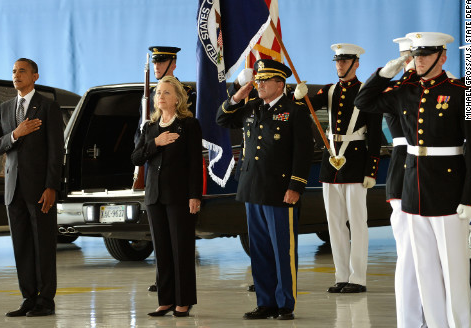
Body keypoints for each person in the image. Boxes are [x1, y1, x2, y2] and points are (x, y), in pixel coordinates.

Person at [355, 32, 471, 327]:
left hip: (448, 191)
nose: (418, 60)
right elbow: (364, 101)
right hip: (413, 189)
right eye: (416, 55)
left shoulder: (461, 92)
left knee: (454, 272)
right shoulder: (405, 91)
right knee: (425, 271)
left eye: (425, 54)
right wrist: (384, 74)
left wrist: (469, 197)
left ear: (442, 57)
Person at [217, 59, 313, 320]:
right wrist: (238, 95)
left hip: (280, 190)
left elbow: (303, 153)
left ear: (280, 84)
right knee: (259, 249)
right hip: (252, 189)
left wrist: (296, 186)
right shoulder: (252, 108)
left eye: (264, 80)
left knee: (283, 249)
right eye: (257, 80)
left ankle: (284, 304)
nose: (258, 84)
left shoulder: (294, 111)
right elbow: (222, 119)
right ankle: (265, 302)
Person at [294, 43, 382, 294]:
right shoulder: (330, 90)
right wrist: (298, 97)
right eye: (337, 61)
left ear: (356, 64)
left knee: (357, 223)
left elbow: (375, 135)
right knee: (334, 223)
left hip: (355, 162)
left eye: (344, 61)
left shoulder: (367, 92)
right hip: (331, 163)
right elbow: (302, 110)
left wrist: (371, 170)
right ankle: (341, 275)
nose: (339, 65)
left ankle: (358, 278)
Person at [0, 58, 64, 317]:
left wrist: (51, 186)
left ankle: (46, 300)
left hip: (40, 188)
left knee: (43, 245)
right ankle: (28, 298)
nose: (16, 75)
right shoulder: (4, 109)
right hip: (13, 190)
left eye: (22, 71)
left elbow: (57, 151)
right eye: (13, 71)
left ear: (35, 76)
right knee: (21, 245)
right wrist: (16, 134)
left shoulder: (48, 107)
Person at [131, 76, 203, 317]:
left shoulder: (188, 124)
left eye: (166, 93)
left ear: (177, 99)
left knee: (181, 249)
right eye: (158, 92)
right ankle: (166, 299)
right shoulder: (149, 127)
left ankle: (183, 301)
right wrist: (156, 143)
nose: (160, 96)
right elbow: (136, 157)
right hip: (155, 196)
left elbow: (195, 163)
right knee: (161, 249)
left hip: (180, 196)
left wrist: (195, 195)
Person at [138, 46, 196, 293]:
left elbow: (193, 157)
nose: (157, 66)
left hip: (178, 186)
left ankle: (181, 296)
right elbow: (137, 151)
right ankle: (164, 287)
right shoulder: (151, 121)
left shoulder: (186, 102)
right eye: (154, 62)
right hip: (155, 189)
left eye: (161, 61)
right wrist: (154, 143)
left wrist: (194, 194)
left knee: (179, 244)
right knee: (160, 244)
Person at [383, 37, 426, 328]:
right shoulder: (399, 91)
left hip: (427, 177)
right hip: (405, 175)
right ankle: (412, 320)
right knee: (410, 256)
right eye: (409, 57)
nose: (412, 62)